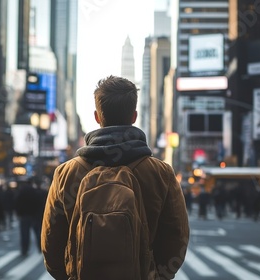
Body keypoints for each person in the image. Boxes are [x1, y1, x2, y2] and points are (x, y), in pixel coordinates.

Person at [41, 75, 190, 279]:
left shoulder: (66, 173)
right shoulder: (160, 173)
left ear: (97, 117)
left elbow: (51, 243)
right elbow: (177, 238)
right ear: (134, 116)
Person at [15, 178, 48, 256]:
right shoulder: (35, 192)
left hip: (24, 215)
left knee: (24, 234)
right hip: (35, 215)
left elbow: (17, 202)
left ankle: (24, 250)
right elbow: (39, 203)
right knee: (38, 233)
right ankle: (40, 248)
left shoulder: (21, 192)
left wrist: (19, 213)